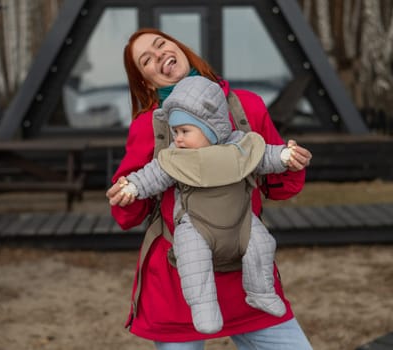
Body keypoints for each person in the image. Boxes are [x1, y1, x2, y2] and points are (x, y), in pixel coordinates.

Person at [106, 28, 313, 350]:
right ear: (146, 81)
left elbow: (280, 187)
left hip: (245, 270)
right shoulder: (149, 127)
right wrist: (125, 194)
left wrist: (290, 161)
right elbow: (128, 215)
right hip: (180, 279)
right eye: (146, 59)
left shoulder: (247, 106)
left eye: (161, 44)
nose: (159, 54)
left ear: (181, 48)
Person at [115, 75, 292, 334]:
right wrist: (131, 187)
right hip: (196, 223)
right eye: (175, 132)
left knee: (262, 244)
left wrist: (286, 155)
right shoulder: (177, 158)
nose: (179, 139)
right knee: (192, 256)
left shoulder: (238, 146)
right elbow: (152, 175)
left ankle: (260, 291)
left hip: (241, 220)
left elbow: (263, 156)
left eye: (185, 131)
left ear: (211, 127)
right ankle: (203, 305)